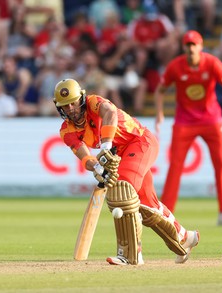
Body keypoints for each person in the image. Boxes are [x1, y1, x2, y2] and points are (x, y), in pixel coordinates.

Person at [53, 78, 199, 265]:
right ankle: (186, 237)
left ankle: (131, 253)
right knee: (147, 205)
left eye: (73, 102)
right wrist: (97, 167)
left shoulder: (94, 102)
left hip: (140, 141)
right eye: (65, 106)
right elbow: (85, 157)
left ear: (81, 98)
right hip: (122, 154)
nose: (71, 108)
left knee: (121, 191)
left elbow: (110, 113)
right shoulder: (66, 131)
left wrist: (105, 147)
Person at [154, 30, 222, 226]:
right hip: (185, 121)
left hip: (211, 120)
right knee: (175, 166)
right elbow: (160, 91)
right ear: (184, 48)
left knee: (221, 165)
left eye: (194, 45)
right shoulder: (175, 67)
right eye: (188, 45)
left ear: (200, 47)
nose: (191, 48)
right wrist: (159, 113)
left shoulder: (212, 63)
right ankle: (166, 214)